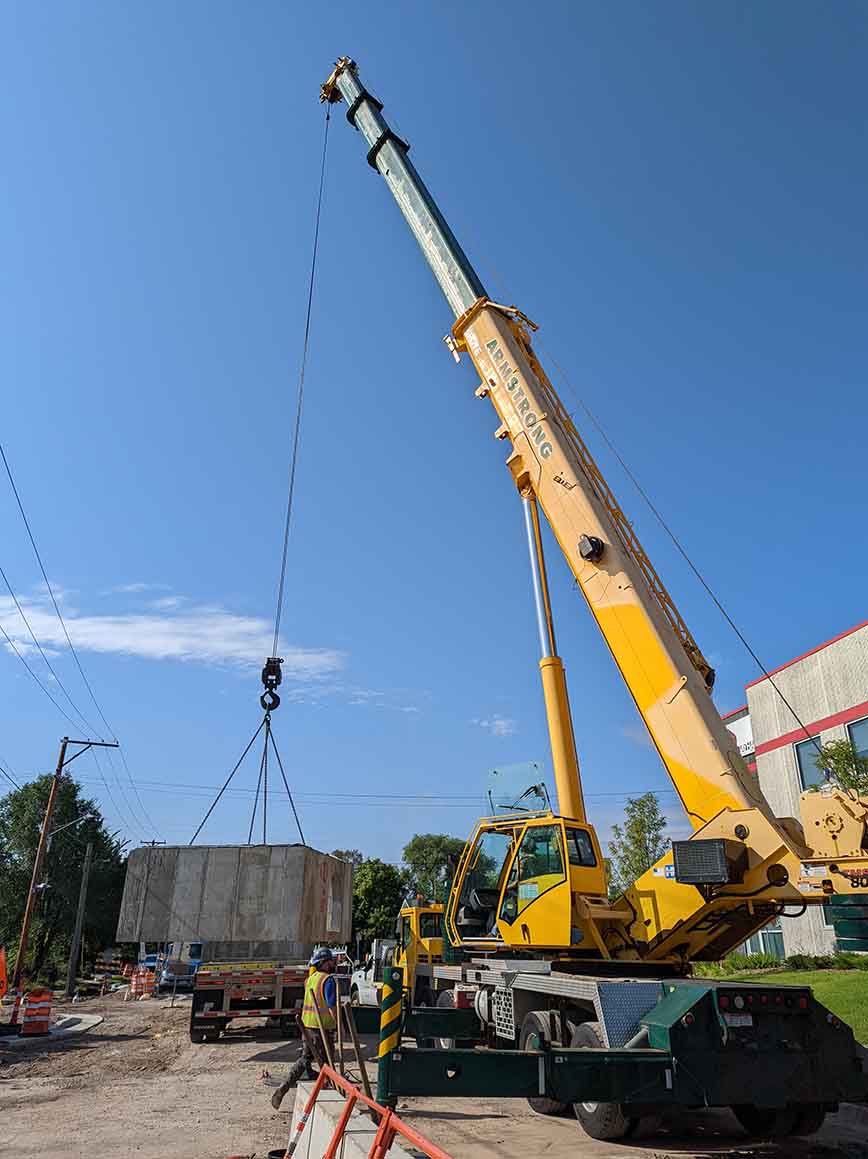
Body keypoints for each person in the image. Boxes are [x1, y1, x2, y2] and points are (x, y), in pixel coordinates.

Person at [271, 947, 337, 1110]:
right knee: (327, 1063)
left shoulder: (311, 979)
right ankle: (329, 1095)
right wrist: (339, 1025)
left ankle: (284, 1087)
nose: (333, 964)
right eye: (331, 961)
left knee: (305, 1059)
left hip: (307, 1027)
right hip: (322, 1029)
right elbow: (331, 1007)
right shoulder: (328, 980)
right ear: (325, 963)